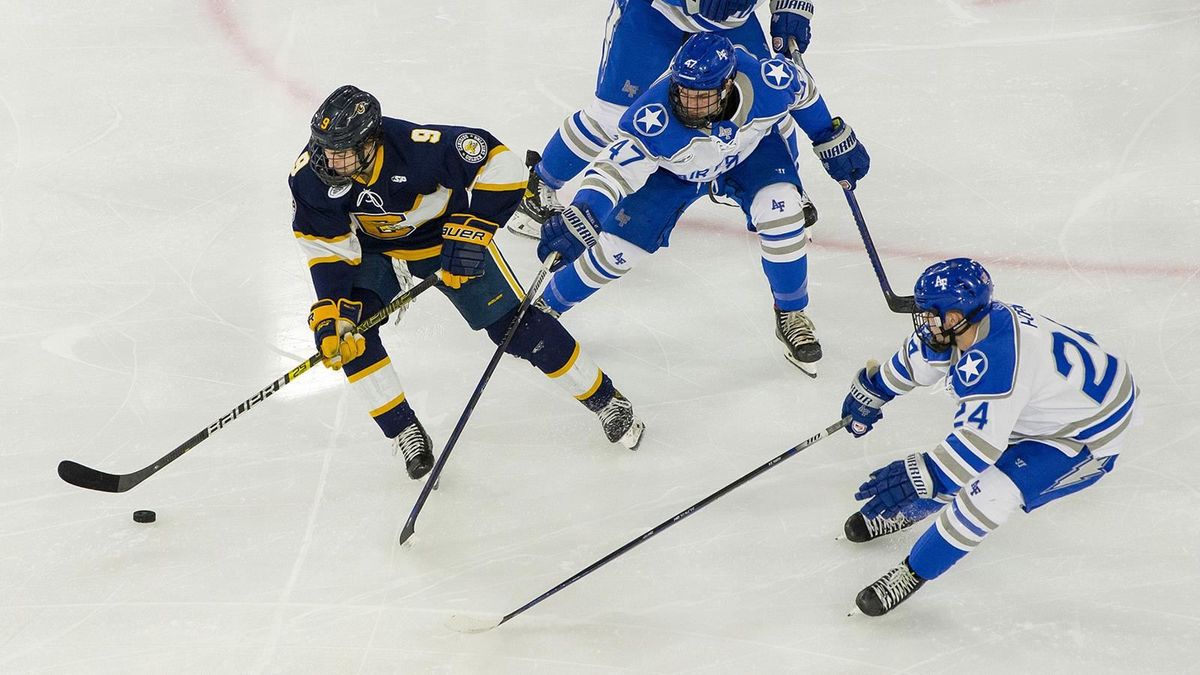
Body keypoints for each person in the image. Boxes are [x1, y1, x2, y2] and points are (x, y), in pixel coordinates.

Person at [288, 86, 646, 481]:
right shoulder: (311, 176)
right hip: (377, 253)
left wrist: (471, 232)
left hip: (445, 243)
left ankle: (606, 399)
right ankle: (404, 429)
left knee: (518, 330)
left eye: (343, 151)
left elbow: (503, 165)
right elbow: (325, 247)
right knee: (350, 336)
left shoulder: (417, 147)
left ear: (371, 141)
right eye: (327, 149)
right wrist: (331, 308)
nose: (331, 161)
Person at [534, 34, 870, 376]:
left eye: (701, 96)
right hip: (673, 173)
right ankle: (548, 305)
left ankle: (791, 312)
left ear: (727, 87)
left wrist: (829, 136)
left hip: (748, 155)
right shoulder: (653, 119)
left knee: (782, 212)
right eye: (683, 93)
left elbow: (805, 92)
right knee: (618, 249)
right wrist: (585, 211)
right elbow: (613, 170)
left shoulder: (768, 80)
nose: (688, 104)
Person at [839, 258, 1139, 615]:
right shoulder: (975, 324)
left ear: (955, 316)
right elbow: (927, 355)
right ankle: (919, 508)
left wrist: (922, 476)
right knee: (953, 466)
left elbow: (972, 453)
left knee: (989, 493)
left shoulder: (998, 362)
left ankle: (912, 572)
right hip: (1056, 403)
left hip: (1086, 436)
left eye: (931, 314)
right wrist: (877, 388)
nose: (924, 322)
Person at [508, 0, 819, 239]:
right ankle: (539, 185)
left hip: (729, 18)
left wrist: (793, 6)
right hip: (654, 13)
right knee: (614, 118)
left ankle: (781, 189)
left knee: (767, 97)